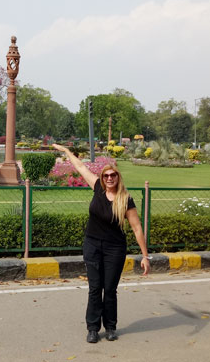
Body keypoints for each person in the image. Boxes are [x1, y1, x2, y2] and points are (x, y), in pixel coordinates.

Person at [52, 144, 151, 344]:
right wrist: (67, 152)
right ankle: (93, 328)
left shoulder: (126, 200)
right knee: (95, 288)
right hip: (93, 245)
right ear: (103, 177)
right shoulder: (97, 187)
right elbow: (80, 168)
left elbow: (137, 228)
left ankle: (111, 327)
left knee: (110, 288)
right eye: (106, 175)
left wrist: (145, 256)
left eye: (113, 175)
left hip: (115, 248)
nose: (109, 178)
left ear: (118, 177)